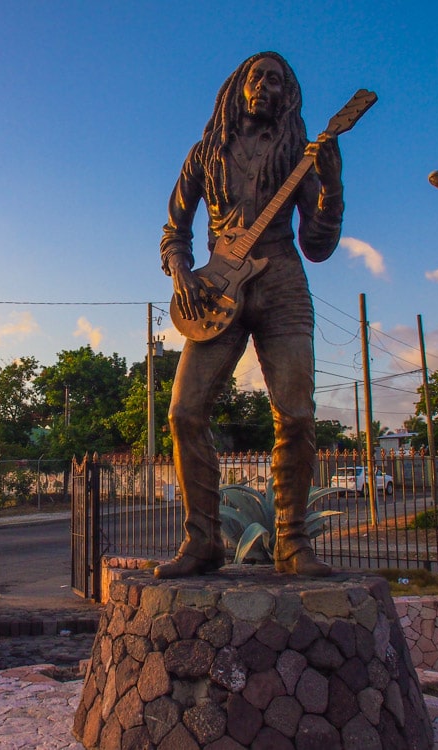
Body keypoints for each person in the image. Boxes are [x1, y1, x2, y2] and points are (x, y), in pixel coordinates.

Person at [154, 51, 343, 579]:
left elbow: (318, 245)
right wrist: (182, 273)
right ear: (238, 86)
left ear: (288, 95)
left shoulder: (297, 155)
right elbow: (174, 231)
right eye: (257, 77)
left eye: (277, 80)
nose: (265, 86)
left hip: (282, 280)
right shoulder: (204, 154)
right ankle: (202, 542)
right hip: (216, 287)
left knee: (298, 414)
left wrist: (331, 187)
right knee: (183, 412)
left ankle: (292, 543)